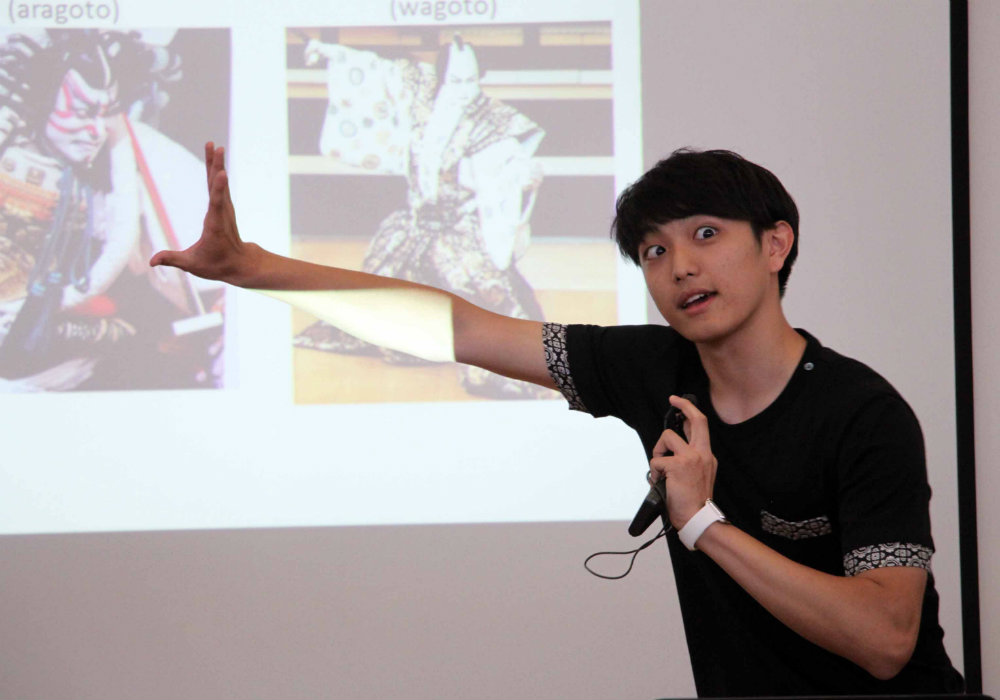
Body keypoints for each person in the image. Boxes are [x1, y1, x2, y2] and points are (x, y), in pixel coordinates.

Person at [151, 144, 964, 696]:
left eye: (706, 235)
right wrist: (253, 267)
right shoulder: (649, 366)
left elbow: (885, 638)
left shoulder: (862, 414)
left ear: (776, 245)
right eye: (654, 251)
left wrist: (703, 523)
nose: (680, 266)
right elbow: (457, 327)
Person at [294, 35, 546, 398]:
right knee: (378, 288)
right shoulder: (420, 95)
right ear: (440, 77)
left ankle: (510, 359)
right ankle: (417, 341)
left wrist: (522, 175)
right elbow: (379, 70)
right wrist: (329, 51)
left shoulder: (493, 120)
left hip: (460, 228)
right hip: (414, 224)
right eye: (455, 79)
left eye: (470, 79)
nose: (463, 88)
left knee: (486, 291)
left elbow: (508, 166)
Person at [0, 30, 223, 391]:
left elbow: (212, 247)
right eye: (81, 112)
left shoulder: (134, 157)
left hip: (67, 363)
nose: (96, 132)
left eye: (104, 113)